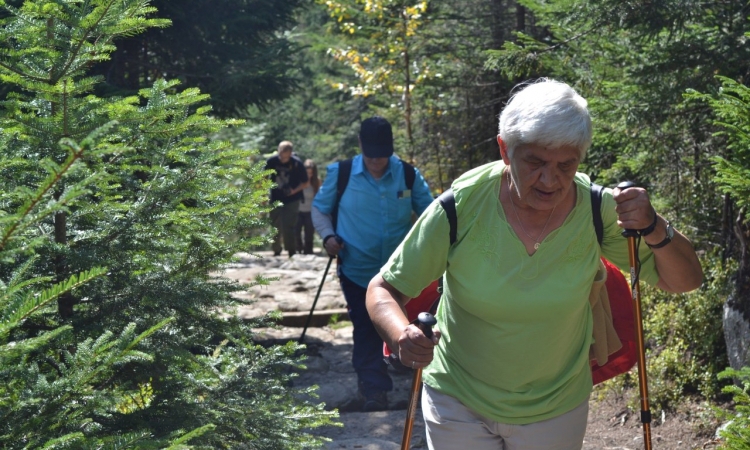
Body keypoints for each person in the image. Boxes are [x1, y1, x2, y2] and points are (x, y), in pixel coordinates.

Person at [366, 79, 703, 449]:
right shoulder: (461, 206)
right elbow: (384, 289)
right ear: (505, 149)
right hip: (457, 397)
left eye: (565, 165)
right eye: (535, 162)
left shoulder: (598, 210)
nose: (550, 179)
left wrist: (653, 226)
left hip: (556, 406)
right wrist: (402, 336)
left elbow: (683, 280)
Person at [312, 116, 434, 412]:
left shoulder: (406, 174)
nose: (378, 161)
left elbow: (432, 212)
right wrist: (328, 236)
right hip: (357, 270)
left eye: (383, 155)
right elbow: (319, 209)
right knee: (366, 329)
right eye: (371, 155)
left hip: (403, 275)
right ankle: (373, 391)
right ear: (360, 147)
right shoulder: (341, 174)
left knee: (409, 325)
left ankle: (413, 385)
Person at [265, 141, 309, 257]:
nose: (282, 158)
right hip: (275, 197)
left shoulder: (297, 164)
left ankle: (291, 251)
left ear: (290, 153)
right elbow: (264, 177)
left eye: (284, 156)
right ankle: (276, 250)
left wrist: (293, 191)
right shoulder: (272, 161)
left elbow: (305, 183)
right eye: (280, 154)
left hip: (292, 199)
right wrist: (264, 191)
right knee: (274, 224)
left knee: (289, 225)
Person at [296, 159, 322, 254]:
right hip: (298, 210)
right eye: (307, 173)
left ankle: (308, 251)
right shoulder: (298, 180)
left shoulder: (317, 182)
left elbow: (319, 197)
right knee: (296, 232)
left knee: (309, 233)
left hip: (310, 211)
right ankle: (298, 249)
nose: (309, 175)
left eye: (311, 173)